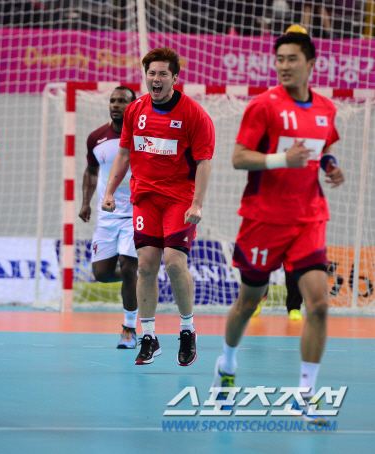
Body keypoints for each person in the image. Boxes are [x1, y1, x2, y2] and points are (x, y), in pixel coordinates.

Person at [213, 26, 344, 424]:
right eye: (280, 59)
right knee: (248, 302)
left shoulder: (326, 109)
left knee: (318, 305)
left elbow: (322, 148)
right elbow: (238, 157)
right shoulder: (263, 105)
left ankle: (305, 394)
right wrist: (280, 160)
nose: (284, 66)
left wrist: (330, 166)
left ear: (311, 64)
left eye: (292, 59)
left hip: (308, 218)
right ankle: (226, 365)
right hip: (263, 219)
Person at [102, 47, 215, 367]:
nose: (156, 78)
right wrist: (109, 192)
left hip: (180, 198)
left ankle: (187, 330)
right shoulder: (134, 110)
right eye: (151, 73)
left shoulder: (194, 114)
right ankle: (149, 337)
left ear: (174, 78)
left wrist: (197, 204)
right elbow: (124, 153)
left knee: (175, 263)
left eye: (163, 73)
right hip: (145, 198)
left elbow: (204, 162)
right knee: (146, 266)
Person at [79, 86, 139, 349]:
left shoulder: (142, 136)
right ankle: (138, 278)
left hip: (136, 213)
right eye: (113, 100)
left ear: (133, 106)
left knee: (128, 265)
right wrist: (86, 203)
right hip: (107, 215)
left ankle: (129, 329)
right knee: (102, 274)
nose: (116, 104)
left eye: (122, 101)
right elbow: (91, 171)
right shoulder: (96, 138)